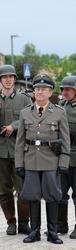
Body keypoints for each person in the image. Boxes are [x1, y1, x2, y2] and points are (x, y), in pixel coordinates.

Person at [15, 74, 70, 244]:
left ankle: (52, 232)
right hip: (31, 160)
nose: (39, 91)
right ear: (33, 92)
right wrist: (19, 163)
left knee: (53, 196)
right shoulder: (25, 113)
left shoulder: (59, 113)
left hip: (51, 160)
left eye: (44, 89)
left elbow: (65, 140)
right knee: (32, 196)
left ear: (50, 92)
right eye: (37, 89)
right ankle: (35, 232)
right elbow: (20, 142)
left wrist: (63, 162)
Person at [0, 65, 32, 235]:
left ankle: (24, 223)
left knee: (23, 189)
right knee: (4, 189)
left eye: (11, 77)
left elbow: (31, 120)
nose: (8, 80)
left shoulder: (24, 100)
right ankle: (10, 222)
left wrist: (14, 126)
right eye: (4, 77)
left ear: (14, 79)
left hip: (19, 150)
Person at [57, 76, 76, 239]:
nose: (65, 92)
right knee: (60, 193)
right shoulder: (60, 106)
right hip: (62, 157)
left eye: (68, 89)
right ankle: (61, 224)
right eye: (63, 89)